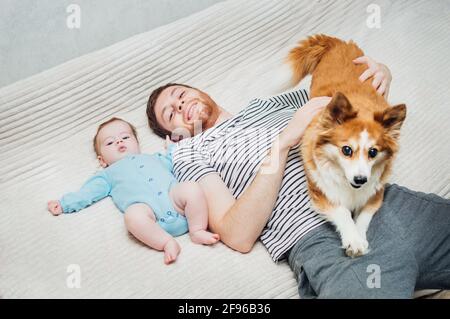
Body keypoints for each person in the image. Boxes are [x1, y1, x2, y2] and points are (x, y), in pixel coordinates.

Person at [146, 56, 450, 298]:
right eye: (171, 114)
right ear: (174, 133)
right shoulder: (192, 151)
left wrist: (380, 77)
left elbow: (355, 113)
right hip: (327, 239)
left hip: (389, 204)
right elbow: (237, 235)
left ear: (198, 90)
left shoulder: (268, 104)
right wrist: (283, 143)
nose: (181, 104)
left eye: (180, 95)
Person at [47, 117, 219, 265]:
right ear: (102, 160)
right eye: (110, 142)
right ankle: (166, 242)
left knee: (191, 188)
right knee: (132, 216)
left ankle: (197, 230)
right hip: (151, 217)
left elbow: (173, 158)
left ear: (137, 143)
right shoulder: (107, 175)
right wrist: (64, 203)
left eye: (125, 137)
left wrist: (173, 147)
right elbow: (86, 193)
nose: (119, 142)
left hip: (176, 202)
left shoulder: (154, 158)